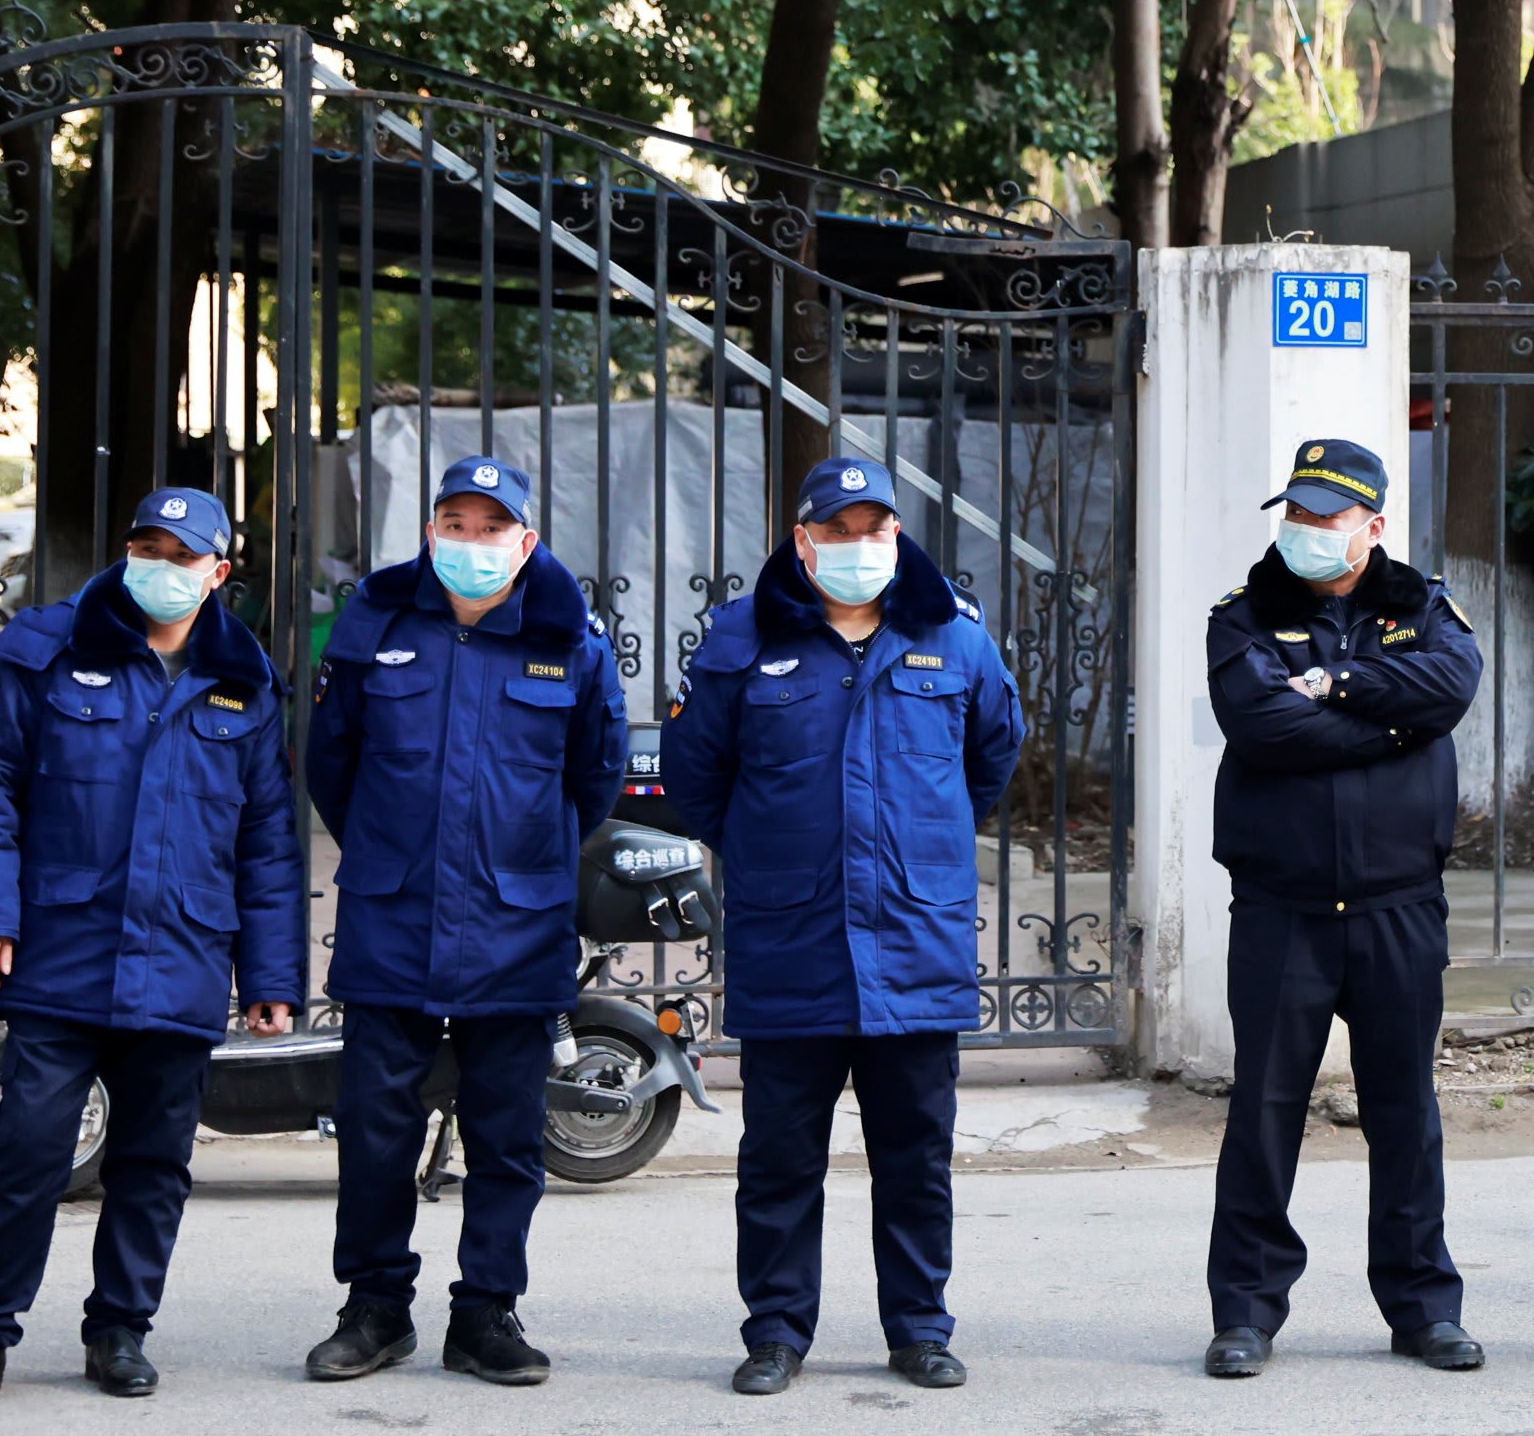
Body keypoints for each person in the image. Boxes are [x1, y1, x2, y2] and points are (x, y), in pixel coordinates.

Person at [0, 489, 304, 1398]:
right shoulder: (46, 651)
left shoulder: (244, 683)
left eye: (183, 554)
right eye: (146, 545)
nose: (160, 566)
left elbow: (268, 842)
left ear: (218, 573)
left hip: (182, 954)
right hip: (61, 948)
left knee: (153, 1161)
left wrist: (272, 973)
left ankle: (121, 1329)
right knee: (29, 1146)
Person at [660, 454, 1023, 1394]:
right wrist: (772, 845)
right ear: (804, 539)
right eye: (840, 530)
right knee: (780, 1158)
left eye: (876, 529)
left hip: (915, 936)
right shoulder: (743, 639)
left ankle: (919, 1326)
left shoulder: (955, 635)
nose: (860, 546)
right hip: (793, 940)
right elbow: (698, 778)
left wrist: (920, 839)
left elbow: (991, 759)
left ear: (897, 536)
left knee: (916, 1157)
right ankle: (777, 1329)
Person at [301, 455, 627, 1386]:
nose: (471, 542)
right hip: (393, 914)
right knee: (372, 1128)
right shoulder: (376, 624)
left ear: (525, 542)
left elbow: (591, 778)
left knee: (506, 1134)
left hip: (516, 924)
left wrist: (522, 853)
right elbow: (334, 766)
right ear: (430, 531)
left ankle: (486, 1312)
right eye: (456, 523)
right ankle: (374, 1307)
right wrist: (393, 845)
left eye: (493, 528)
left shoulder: (570, 642)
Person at [1197, 438, 1486, 1380]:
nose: (1308, 531)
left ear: (1373, 526)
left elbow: (1452, 687)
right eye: (1299, 513)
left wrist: (1340, 682)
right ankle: (1245, 1308)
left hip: (1400, 904)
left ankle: (1421, 1305)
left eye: (1327, 516)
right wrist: (1393, 728)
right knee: (1265, 1108)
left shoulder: (1423, 607)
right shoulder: (1243, 618)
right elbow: (1262, 726)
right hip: (1283, 907)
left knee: (1405, 1108)